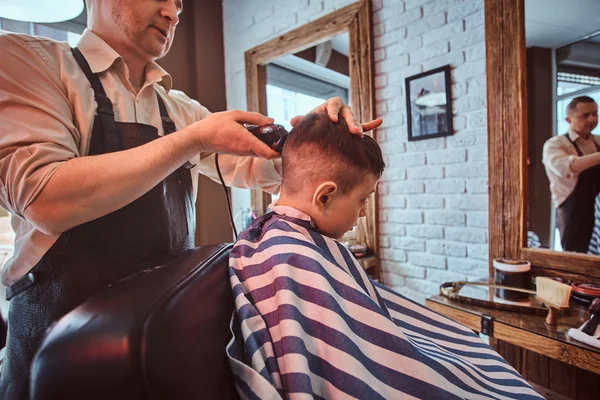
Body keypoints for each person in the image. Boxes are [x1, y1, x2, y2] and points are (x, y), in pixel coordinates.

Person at [0, 0, 382, 397]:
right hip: (57, 338)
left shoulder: (180, 110)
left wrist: (319, 135)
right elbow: (43, 197)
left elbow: (275, 170)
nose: (173, 13)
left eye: (179, 3)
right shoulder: (30, 61)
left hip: (160, 333)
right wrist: (191, 141)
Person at [227, 113, 542, 399]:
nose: (363, 212)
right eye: (363, 200)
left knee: (466, 349)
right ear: (324, 196)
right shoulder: (291, 257)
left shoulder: (271, 238)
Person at [543, 96, 600, 253]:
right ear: (568, 119)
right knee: (575, 256)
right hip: (573, 211)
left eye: (595, 114)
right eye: (585, 115)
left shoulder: (598, 141)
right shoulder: (555, 144)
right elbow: (569, 167)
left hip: (598, 208)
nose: (592, 119)